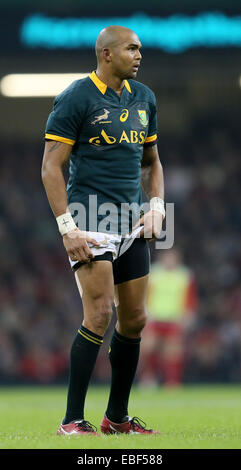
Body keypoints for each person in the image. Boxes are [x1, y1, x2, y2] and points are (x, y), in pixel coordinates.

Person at [41, 25, 165, 436]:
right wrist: (67, 229)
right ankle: (71, 420)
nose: (139, 54)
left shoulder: (144, 97)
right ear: (107, 54)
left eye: (141, 49)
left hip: (132, 221)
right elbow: (51, 168)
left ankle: (117, 419)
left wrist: (157, 208)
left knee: (135, 320)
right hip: (90, 218)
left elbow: (152, 162)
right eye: (132, 48)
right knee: (98, 315)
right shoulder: (77, 96)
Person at [138, 248, 197, 386]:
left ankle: (172, 382)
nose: (169, 261)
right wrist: (143, 313)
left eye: (172, 258)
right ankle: (149, 378)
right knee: (148, 347)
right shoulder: (153, 273)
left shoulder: (185, 275)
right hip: (154, 317)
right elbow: (144, 294)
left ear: (177, 259)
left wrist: (189, 314)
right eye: (167, 257)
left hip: (175, 317)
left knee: (173, 351)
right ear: (162, 258)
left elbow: (190, 297)